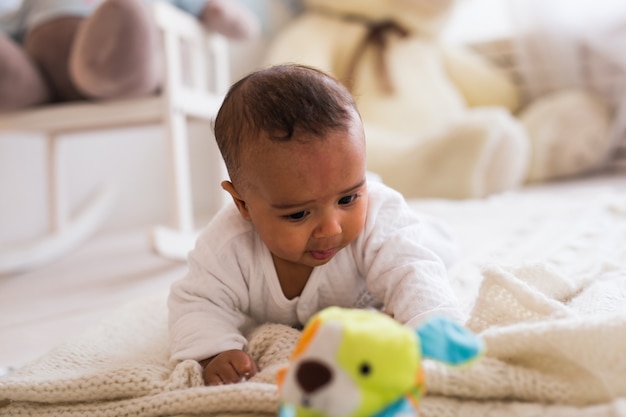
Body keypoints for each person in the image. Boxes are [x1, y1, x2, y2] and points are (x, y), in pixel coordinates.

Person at [167, 64, 462, 386]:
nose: (331, 229)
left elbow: (413, 271)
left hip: (410, 241)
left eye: (348, 198)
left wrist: (429, 326)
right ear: (242, 205)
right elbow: (197, 301)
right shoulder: (227, 246)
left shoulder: (379, 217)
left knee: (423, 247)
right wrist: (214, 351)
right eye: (298, 214)